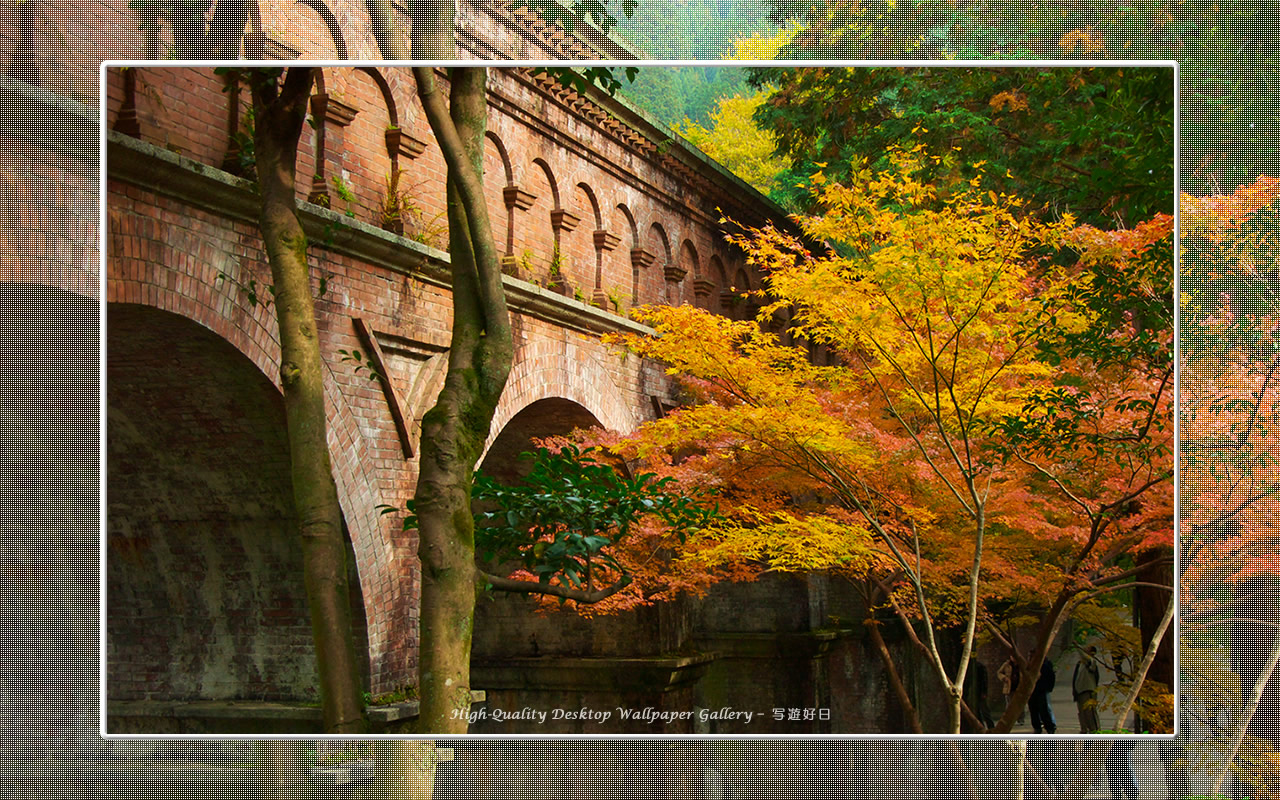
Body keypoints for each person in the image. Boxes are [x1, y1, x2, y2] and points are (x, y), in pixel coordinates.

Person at [1072, 645, 1102, 733]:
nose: (1085, 649)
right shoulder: (1080, 664)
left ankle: (1095, 730)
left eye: (1087, 649)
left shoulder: (1092, 662)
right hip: (1079, 691)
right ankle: (1084, 729)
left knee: (1090, 712)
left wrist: (1076, 644)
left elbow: (1084, 656)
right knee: (1081, 712)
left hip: (1088, 691)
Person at [1029, 657, 1057, 734]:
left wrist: (1048, 688)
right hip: (1032, 692)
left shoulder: (1044, 666)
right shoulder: (1030, 666)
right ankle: (1037, 727)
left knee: (1043, 710)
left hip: (1041, 691)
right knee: (1033, 711)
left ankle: (1049, 727)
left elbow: (1051, 676)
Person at [998, 655, 1024, 723]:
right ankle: (1008, 719)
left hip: (1019, 687)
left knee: (1020, 704)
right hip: (1009, 687)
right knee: (1009, 705)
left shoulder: (1021, 664)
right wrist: (1004, 678)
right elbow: (999, 672)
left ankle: (1020, 719)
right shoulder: (1007, 664)